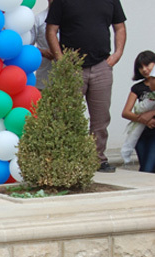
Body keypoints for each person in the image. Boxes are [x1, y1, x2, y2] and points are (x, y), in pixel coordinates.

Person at [46, 0, 126, 173]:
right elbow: (51, 30)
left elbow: (119, 26)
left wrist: (117, 55)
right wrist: (61, 60)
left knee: (101, 117)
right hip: (72, 66)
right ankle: (68, 159)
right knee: (67, 115)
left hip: (101, 65)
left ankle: (97, 159)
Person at [121, 52, 155, 172]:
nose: (144, 69)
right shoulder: (137, 88)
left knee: (147, 169)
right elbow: (125, 112)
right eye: (141, 67)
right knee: (145, 165)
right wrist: (144, 119)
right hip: (140, 134)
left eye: (147, 65)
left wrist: (151, 115)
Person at [30, 0, 53, 91]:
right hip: (44, 78)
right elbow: (28, 47)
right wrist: (42, 52)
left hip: (67, 79)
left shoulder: (72, 18)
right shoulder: (39, 19)